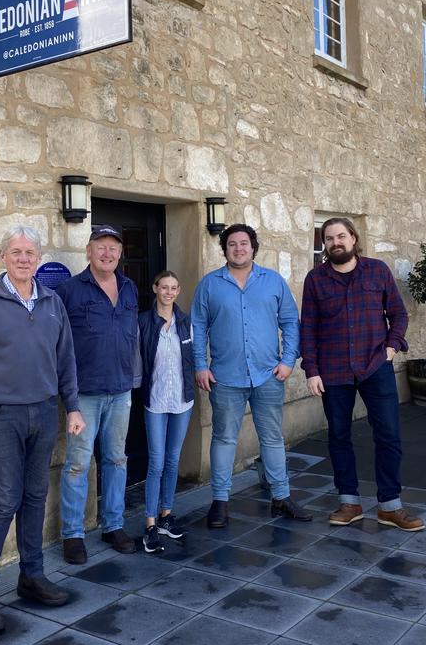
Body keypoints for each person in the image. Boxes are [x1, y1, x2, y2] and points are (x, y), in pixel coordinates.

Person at [0, 226, 84, 635]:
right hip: (1, 416)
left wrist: (73, 407)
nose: (23, 258)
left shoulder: (52, 303)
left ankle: (31, 576)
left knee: (35, 494)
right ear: (2, 256)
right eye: (16, 251)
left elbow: (66, 359)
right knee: (5, 499)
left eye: (30, 252)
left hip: (44, 413)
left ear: (38, 258)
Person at [300, 216, 424, 531]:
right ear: (324, 244)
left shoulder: (377, 271)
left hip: (375, 367)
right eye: (328, 238)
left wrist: (392, 348)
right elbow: (309, 329)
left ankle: (390, 507)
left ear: (353, 238)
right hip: (333, 370)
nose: (335, 242)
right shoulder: (316, 279)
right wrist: (312, 371)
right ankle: (349, 503)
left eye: (341, 236)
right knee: (339, 437)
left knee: (389, 436)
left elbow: (398, 313)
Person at [191, 223, 311, 528]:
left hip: (268, 375)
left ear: (253, 247)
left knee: (272, 438)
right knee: (223, 439)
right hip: (225, 377)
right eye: (232, 244)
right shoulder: (209, 285)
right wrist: (200, 366)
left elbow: (290, 323)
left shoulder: (273, 282)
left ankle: (281, 498)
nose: (239, 249)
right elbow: (198, 327)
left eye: (244, 243)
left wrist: (287, 361)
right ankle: (220, 502)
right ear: (225, 249)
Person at [57, 225, 139, 562]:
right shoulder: (69, 290)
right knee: (77, 464)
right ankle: (73, 534)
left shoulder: (130, 287)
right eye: (101, 247)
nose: (108, 253)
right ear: (88, 251)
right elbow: (58, 344)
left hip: (121, 391)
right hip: (84, 395)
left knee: (116, 460)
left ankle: (113, 524)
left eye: (113, 248)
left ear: (120, 254)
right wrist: (67, 396)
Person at [138, 271, 194, 553]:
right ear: (155, 288)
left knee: (173, 461)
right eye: (164, 287)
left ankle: (165, 516)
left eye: (174, 288)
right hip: (156, 400)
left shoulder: (186, 322)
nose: (169, 292)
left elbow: (194, 357)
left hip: (182, 401)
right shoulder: (145, 322)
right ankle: (149, 524)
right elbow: (138, 359)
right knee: (157, 463)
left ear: (178, 290)